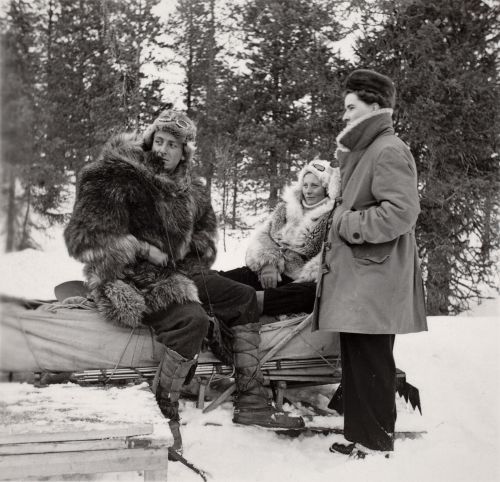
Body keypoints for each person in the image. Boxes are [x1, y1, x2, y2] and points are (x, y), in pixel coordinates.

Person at [64, 109, 303, 454]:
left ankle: (252, 401)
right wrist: (143, 249)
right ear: (149, 142)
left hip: (182, 271)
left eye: (172, 144)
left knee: (244, 297)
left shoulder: (193, 190)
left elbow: (205, 235)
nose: (162, 149)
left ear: (184, 152)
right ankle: (166, 411)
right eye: (158, 141)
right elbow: (82, 238)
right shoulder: (118, 175)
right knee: (192, 320)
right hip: (134, 277)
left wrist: (188, 250)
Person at [313, 69, 428, 457]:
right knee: (358, 360)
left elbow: (402, 213)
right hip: (362, 277)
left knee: (373, 361)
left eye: (351, 107)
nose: (344, 115)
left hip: (374, 277)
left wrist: (347, 223)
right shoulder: (367, 151)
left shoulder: (388, 149)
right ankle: (359, 436)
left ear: (375, 107)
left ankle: (377, 444)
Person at [221, 160, 340, 316]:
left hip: (299, 281)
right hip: (273, 273)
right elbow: (264, 236)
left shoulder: (332, 215)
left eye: (314, 186)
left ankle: (253, 302)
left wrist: (304, 277)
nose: (308, 191)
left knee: (309, 293)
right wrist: (267, 264)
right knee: (222, 280)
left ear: (326, 188)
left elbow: (329, 255)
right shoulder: (285, 209)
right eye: (305, 185)